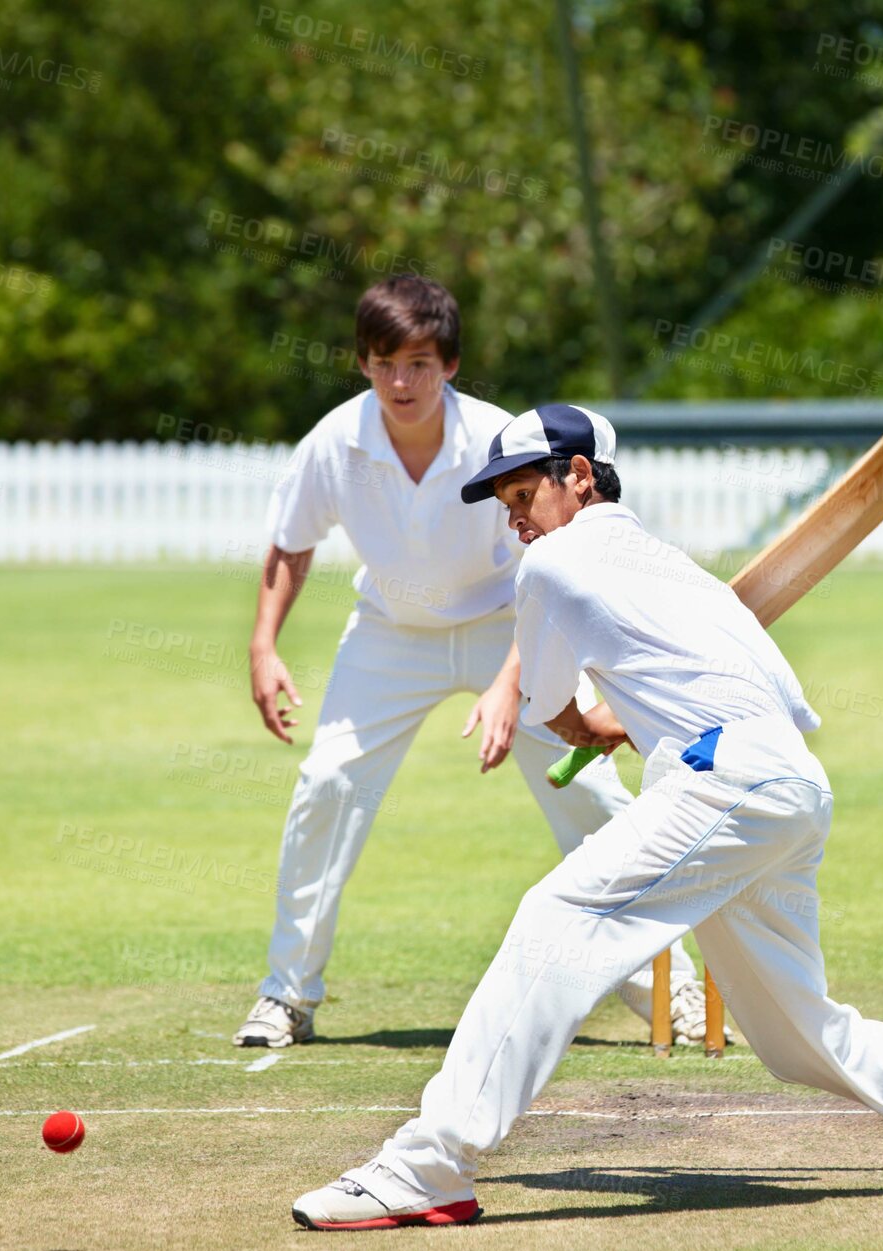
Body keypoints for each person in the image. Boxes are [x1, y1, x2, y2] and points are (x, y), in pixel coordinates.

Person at [290, 403, 883, 1229]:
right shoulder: (673, 568)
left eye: (520, 500)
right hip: (786, 785)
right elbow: (773, 697)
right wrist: (631, 725)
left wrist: (594, 725)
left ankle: (428, 1165)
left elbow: (548, 708)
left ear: (577, 478)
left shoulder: (552, 565)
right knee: (806, 1040)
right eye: (505, 510)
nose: (515, 526)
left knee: (558, 913)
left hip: (721, 782)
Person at [234, 283, 704, 1049]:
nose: (401, 382)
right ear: (362, 364)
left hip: (511, 622)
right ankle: (287, 995)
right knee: (327, 784)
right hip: (390, 633)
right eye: (385, 363)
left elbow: (550, 558)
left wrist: (510, 683)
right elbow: (291, 542)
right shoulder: (333, 441)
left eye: (419, 363)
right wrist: (262, 645)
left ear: (449, 364)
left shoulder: (495, 438)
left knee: (589, 796)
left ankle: (671, 991)